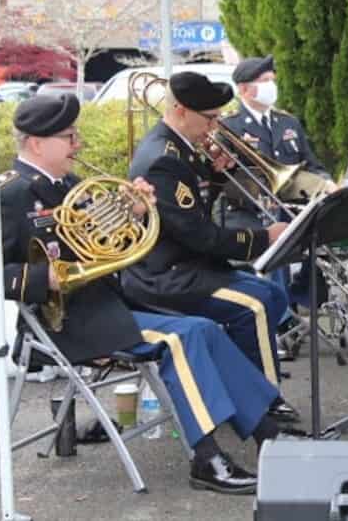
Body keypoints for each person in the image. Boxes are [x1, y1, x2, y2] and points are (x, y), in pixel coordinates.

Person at [0, 94, 293, 494]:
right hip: (65, 322)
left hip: (109, 305)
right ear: (37, 143)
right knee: (182, 337)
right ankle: (207, 459)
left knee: (207, 329)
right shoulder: (8, 195)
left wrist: (134, 214)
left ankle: (268, 432)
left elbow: (104, 242)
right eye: (69, 137)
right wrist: (44, 279)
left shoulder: (72, 185)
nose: (78, 145)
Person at [121, 72, 299, 423]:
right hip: (165, 276)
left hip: (187, 265)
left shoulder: (179, 147)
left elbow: (194, 209)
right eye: (210, 119)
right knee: (255, 305)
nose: (215, 127)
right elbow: (199, 235)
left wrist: (217, 175)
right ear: (181, 110)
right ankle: (263, 406)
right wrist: (265, 237)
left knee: (273, 296)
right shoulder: (162, 158)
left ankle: (241, 387)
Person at [218, 56, 336, 337]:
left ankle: (302, 299)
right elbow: (226, 179)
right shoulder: (230, 127)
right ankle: (282, 318)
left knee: (319, 231)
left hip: (290, 205)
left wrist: (328, 184)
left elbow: (309, 164)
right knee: (275, 239)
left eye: (273, 80)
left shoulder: (288, 123)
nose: (272, 86)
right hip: (246, 210)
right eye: (265, 82)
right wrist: (259, 196)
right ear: (245, 90)